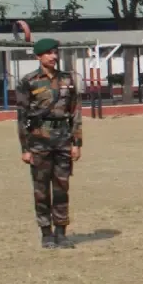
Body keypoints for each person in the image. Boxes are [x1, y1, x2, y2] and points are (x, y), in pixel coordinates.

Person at [15, 38, 83, 249]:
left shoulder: (68, 79)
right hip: (39, 141)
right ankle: (46, 233)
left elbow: (76, 113)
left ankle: (61, 233)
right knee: (41, 189)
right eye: (49, 53)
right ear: (39, 57)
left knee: (62, 187)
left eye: (55, 52)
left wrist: (77, 142)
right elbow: (22, 116)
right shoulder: (29, 81)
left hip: (63, 139)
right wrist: (25, 148)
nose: (54, 56)